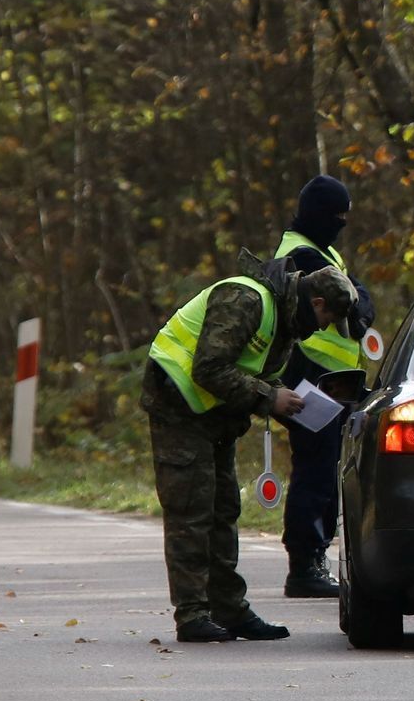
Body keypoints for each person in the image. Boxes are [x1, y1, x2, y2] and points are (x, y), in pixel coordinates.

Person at [142, 256, 358, 643]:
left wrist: (288, 401)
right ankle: (192, 614)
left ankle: (230, 610)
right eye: (326, 321)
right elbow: (207, 369)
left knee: (224, 508)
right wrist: (268, 397)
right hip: (177, 403)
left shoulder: (285, 322)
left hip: (215, 414)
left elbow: (253, 373)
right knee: (192, 509)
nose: (322, 329)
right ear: (319, 304)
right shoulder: (246, 299)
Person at [273, 175, 377, 598]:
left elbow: (359, 298)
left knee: (324, 469)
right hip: (309, 377)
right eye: (337, 216)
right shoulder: (299, 255)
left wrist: (359, 304)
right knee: (315, 471)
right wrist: (357, 305)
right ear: (319, 214)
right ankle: (305, 565)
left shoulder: (321, 251)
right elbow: (351, 303)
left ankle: (316, 558)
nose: (342, 224)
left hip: (328, 381)